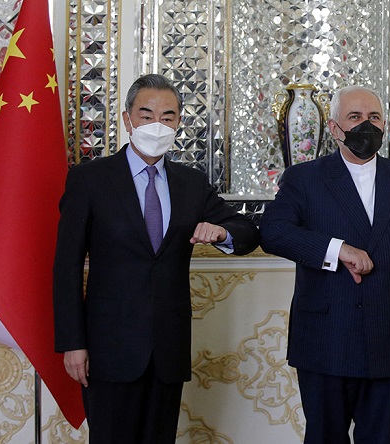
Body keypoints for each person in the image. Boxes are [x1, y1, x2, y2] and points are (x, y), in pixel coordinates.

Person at [53, 74, 259, 443]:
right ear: (127, 118)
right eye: (146, 115)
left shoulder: (190, 183)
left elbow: (246, 232)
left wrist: (221, 233)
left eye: (167, 117)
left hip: (168, 350)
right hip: (108, 349)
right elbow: (66, 267)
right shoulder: (90, 179)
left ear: (178, 123)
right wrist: (73, 342)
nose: (157, 125)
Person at [259, 85, 390, 443]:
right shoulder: (304, 178)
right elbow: (272, 232)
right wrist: (337, 249)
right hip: (325, 338)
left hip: (389, 337)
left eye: (374, 117)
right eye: (355, 117)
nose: (366, 125)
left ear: (385, 124)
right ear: (334, 127)